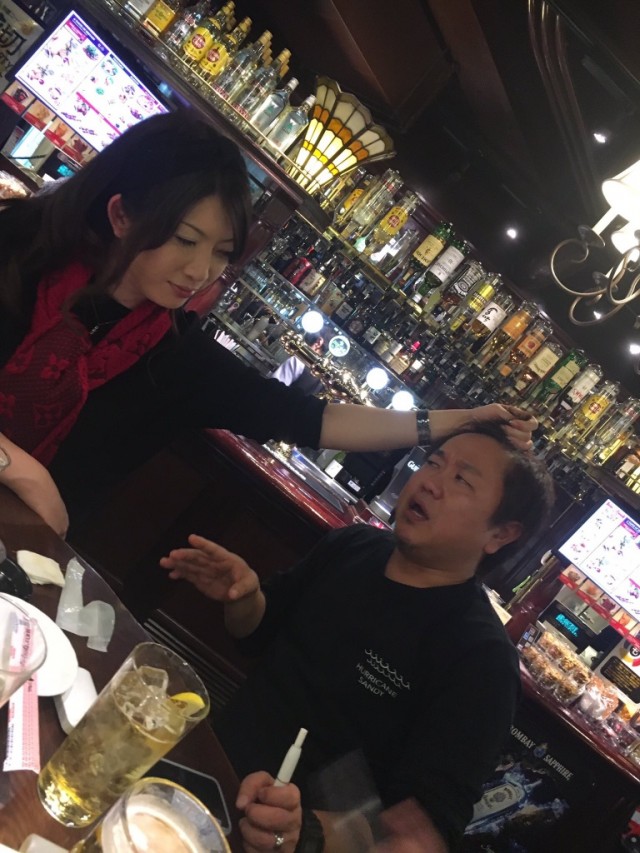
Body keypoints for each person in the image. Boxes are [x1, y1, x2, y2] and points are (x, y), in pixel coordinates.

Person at [0, 111, 536, 536]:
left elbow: (311, 419)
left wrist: (459, 420)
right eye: (186, 240)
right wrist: (19, 469)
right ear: (122, 215)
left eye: (221, 252)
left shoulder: (176, 358)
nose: (200, 271)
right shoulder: (19, 250)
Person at [160, 422, 555, 853]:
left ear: (501, 534)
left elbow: (421, 836)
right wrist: (245, 597)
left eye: (461, 480)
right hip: (202, 775)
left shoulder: (481, 660)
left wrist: (303, 832)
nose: (430, 482)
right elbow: (256, 636)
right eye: (434, 463)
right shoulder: (354, 545)